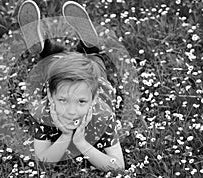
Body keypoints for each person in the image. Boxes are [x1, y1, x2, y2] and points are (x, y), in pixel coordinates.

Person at [18, 0, 126, 171]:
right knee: (60, 67)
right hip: (73, 85)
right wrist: (66, 136)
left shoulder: (102, 116)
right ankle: (85, 47)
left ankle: (50, 48)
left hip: (97, 83)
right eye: (62, 100)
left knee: (89, 65)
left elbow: (119, 167)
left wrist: (81, 143)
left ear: (93, 100)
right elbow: (43, 159)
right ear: (49, 96)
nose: (71, 110)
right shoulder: (45, 112)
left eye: (81, 102)